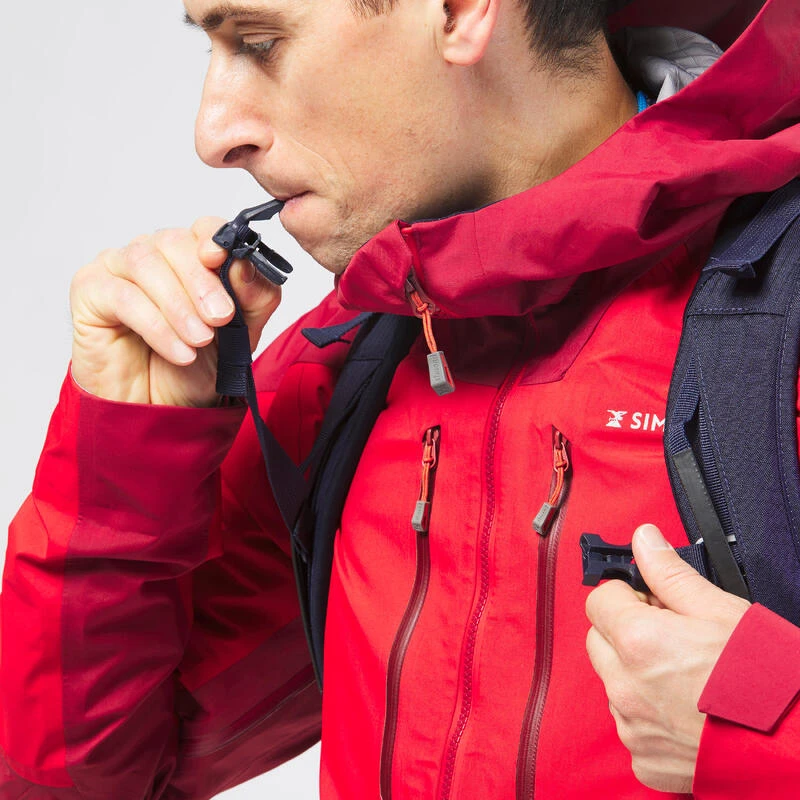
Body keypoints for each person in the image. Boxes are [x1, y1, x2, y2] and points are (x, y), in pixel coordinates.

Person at [2, 0, 799, 798]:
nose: (213, 136)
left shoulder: (775, 328)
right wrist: (127, 464)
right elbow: (79, 781)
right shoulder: (347, 367)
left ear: (461, 11)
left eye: (260, 42)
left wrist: (769, 727)